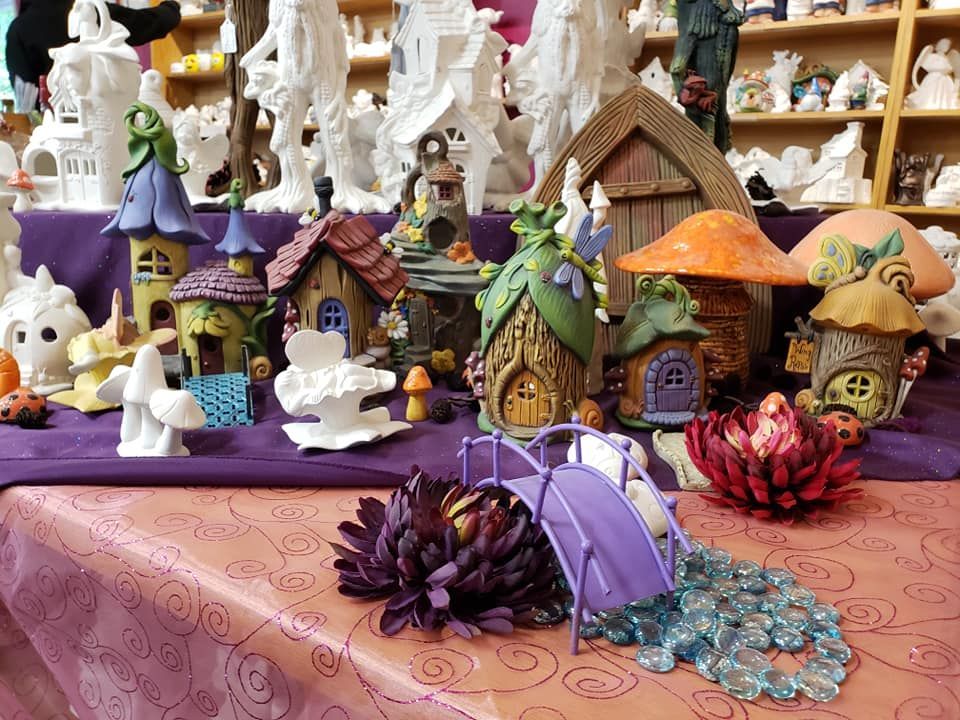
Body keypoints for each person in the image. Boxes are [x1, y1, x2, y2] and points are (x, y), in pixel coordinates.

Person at [6, 0, 181, 88]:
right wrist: (172, 8)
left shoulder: (18, 29)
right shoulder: (87, 10)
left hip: (49, 130)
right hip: (106, 114)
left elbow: (23, 90)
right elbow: (146, 24)